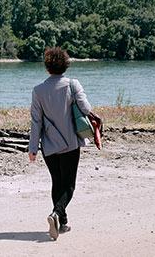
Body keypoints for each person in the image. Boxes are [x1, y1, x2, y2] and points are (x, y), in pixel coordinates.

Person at [28, 46, 102, 241]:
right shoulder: (72, 84)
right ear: (66, 66)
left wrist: (32, 148)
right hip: (70, 143)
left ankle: (63, 222)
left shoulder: (38, 91)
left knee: (57, 182)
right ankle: (56, 213)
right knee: (68, 185)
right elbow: (86, 109)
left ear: (47, 67)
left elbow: (36, 122)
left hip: (49, 146)